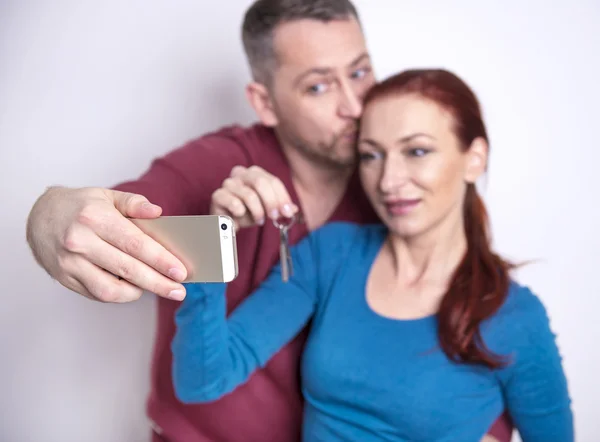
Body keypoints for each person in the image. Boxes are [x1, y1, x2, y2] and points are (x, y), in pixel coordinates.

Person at [24, 1, 513, 441]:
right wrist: (51, 214)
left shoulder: (391, 188)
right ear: (264, 102)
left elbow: (461, 306)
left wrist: (486, 427)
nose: (355, 106)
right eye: (318, 86)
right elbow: (117, 213)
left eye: (360, 72)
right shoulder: (215, 166)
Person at [172, 68, 574, 441]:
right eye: (371, 155)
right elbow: (203, 380)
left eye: (416, 151)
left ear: (474, 159)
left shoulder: (515, 317)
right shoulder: (331, 254)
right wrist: (213, 236)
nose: (389, 180)